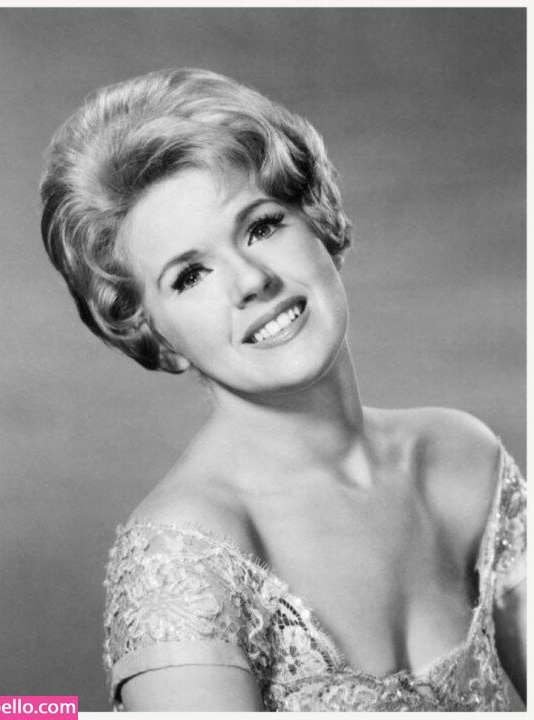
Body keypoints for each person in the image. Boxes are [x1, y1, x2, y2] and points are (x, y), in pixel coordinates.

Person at [40, 68, 526, 711]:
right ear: (154, 334)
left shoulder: (461, 457)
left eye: (262, 226)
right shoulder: (185, 558)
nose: (250, 281)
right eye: (190, 275)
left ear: (317, 220)